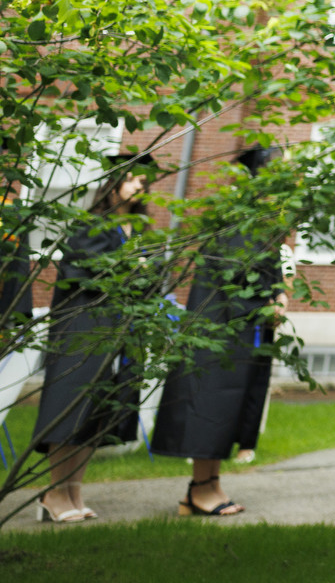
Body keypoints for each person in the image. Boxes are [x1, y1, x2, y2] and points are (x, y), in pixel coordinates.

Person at [151, 146, 288, 515]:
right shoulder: (237, 216)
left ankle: (208, 485)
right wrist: (266, 303)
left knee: (226, 406)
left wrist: (278, 294)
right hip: (219, 327)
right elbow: (234, 274)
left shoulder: (261, 218)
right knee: (211, 404)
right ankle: (199, 489)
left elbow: (266, 271)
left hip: (240, 329)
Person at [32, 149, 158, 523]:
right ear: (114, 183)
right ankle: (53, 493)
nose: (140, 187)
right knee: (67, 409)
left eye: (145, 183)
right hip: (81, 328)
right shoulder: (91, 223)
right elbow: (76, 271)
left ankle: (74, 491)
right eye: (134, 179)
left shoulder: (140, 230)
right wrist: (127, 268)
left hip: (116, 330)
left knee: (94, 413)